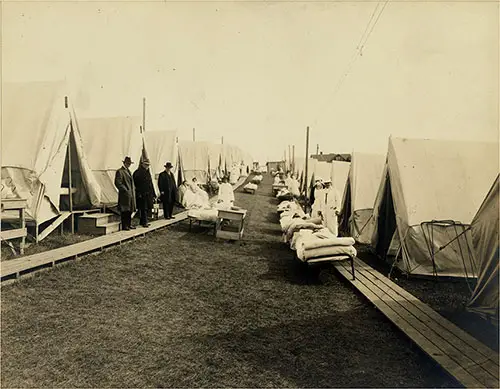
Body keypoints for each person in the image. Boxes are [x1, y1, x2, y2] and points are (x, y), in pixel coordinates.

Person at [114, 156, 136, 231]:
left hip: (130, 194)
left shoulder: (129, 171)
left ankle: (129, 224)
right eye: (127, 163)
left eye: (129, 163)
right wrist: (125, 190)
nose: (129, 165)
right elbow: (118, 183)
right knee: (124, 211)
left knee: (129, 210)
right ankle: (124, 225)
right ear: (124, 163)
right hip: (124, 195)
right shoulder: (120, 171)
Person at [133, 158, 156, 227]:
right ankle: (144, 222)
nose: (147, 166)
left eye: (148, 165)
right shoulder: (137, 172)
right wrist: (138, 193)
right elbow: (135, 184)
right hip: (142, 194)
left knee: (147, 208)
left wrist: (154, 194)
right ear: (142, 164)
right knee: (143, 208)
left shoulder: (148, 172)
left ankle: (143, 221)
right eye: (145, 165)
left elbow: (150, 184)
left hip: (148, 194)